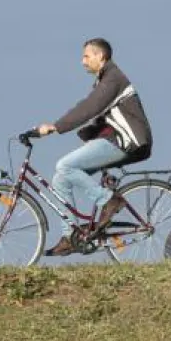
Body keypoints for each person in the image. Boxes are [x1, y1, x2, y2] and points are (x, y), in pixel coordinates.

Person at [36, 38, 154, 256]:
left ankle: (109, 200)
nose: (82, 61)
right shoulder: (105, 81)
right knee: (60, 178)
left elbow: (89, 107)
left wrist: (56, 126)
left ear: (101, 56)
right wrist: (87, 132)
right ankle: (70, 236)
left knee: (65, 165)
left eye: (86, 56)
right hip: (119, 139)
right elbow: (103, 116)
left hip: (128, 142)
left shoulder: (113, 79)